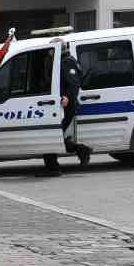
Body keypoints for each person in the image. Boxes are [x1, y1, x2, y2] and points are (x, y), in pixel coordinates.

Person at [43, 45, 91, 174]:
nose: (49, 53)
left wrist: (67, 97)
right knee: (52, 135)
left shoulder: (66, 62)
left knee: (50, 135)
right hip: (60, 105)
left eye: (51, 50)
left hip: (65, 106)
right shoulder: (64, 61)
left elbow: (74, 83)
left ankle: (53, 168)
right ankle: (80, 150)